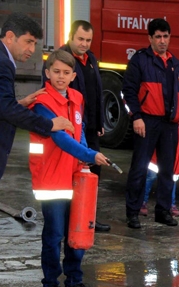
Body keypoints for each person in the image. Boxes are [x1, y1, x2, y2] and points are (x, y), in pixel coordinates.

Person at [0, 12, 73, 287]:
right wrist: (48, 124)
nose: (31, 49)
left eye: (35, 43)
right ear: (9, 36)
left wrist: (17, 104)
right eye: (28, 41)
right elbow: (2, 109)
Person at [29, 49, 110, 287]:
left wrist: (85, 155)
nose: (61, 77)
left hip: (75, 175)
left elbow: (79, 129)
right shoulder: (42, 103)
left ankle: (74, 283)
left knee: (77, 232)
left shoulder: (76, 96)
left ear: (74, 75)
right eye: (56, 72)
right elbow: (60, 138)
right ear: (47, 73)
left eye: (66, 73)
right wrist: (90, 153)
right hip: (52, 179)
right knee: (54, 235)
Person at [122, 18, 179, 229]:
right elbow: (127, 92)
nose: (162, 40)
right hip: (147, 121)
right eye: (158, 36)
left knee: (168, 170)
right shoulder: (140, 61)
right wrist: (136, 117)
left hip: (169, 124)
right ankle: (132, 213)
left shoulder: (175, 64)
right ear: (150, 38)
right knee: (139, 169)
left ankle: (163, 211)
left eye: (165, 36)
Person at [45, 20, 111, 232]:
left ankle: (87, 214)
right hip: (69, 127)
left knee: (92, 171)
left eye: (88, 40)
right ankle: (68, 218)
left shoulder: (91, 59)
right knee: (71, 173)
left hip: (89, 126)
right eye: (80, 39)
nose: (84, 44)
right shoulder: (61, 61)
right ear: (71, 37)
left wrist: (99, 121)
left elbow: (96, 92)